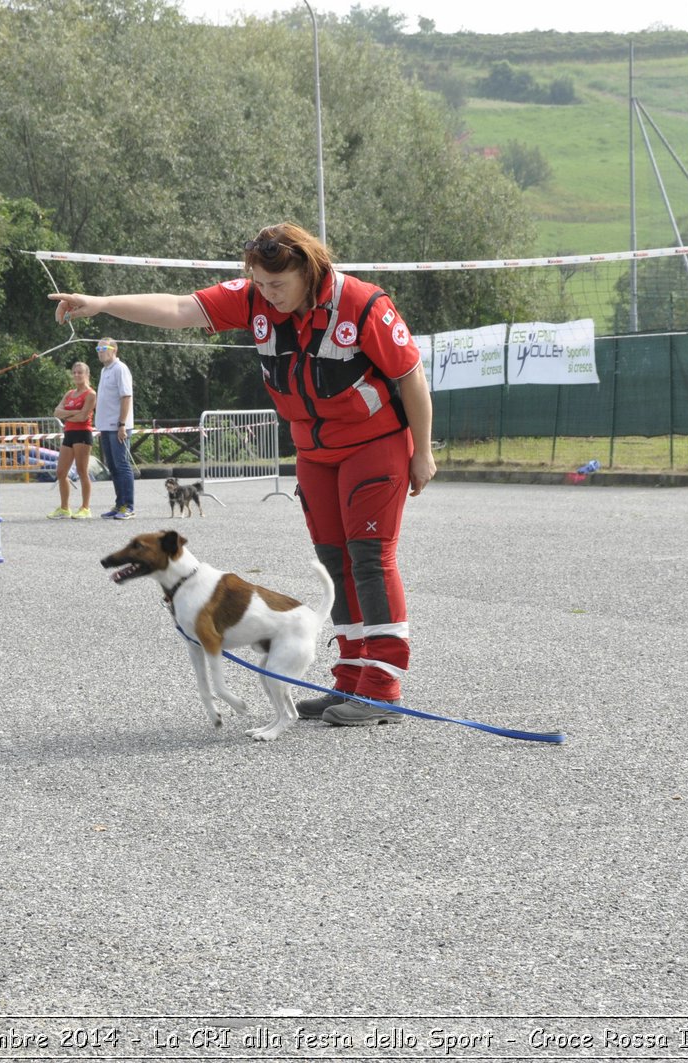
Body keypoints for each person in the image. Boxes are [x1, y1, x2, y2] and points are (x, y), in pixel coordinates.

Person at [50, 221, 437, 726]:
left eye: (277, 285)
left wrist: (422, 452)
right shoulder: (255, 297)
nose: (267, 295)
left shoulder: (363, 304)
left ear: (309, 271)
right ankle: (350, 679)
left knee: (369, 558)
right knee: (334, 558)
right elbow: (180, 308)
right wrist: (102, 303)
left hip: (375, 445)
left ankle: (382, 689)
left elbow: (410, 376)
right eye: (259, 284)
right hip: (315, 451)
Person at [93, 337, 136, 519]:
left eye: (104, 347)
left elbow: (126, 396)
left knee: (122, 464)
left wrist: (122, 424)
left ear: (114, 349)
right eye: (98, 348)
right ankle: (119, 504)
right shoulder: (105, 371)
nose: (100, 351)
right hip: (106, 426)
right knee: (113, 466)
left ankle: (128, 505)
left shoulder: (120, 369)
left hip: (118, 426)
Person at [49, 360, 97, 519]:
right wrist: (74, 413)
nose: (76, 375)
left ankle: (85, 508)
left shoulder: (90, 394)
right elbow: (56, 412)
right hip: (69, 433)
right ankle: (64, 508)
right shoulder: (69, 394)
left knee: (82, 471)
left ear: (87, 375)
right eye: (74, 372)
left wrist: (68, 414)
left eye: (80, 372)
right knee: (61, 472)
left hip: (82, 433)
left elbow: (84, 416)